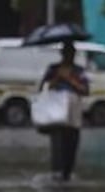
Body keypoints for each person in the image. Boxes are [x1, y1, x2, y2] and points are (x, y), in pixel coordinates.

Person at [39, 41, 90, 181]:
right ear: (62, 54)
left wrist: (70, 80)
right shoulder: (53, 69)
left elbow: (85, 90)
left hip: (73, 116)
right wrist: (57, 78)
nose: (69, 56)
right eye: (67, 53)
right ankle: (57, 174)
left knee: (71, 147)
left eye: (72, 54)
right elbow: (43, 88)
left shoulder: (79, 71)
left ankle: (67, 174)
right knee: (57, 147)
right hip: (56, 116)